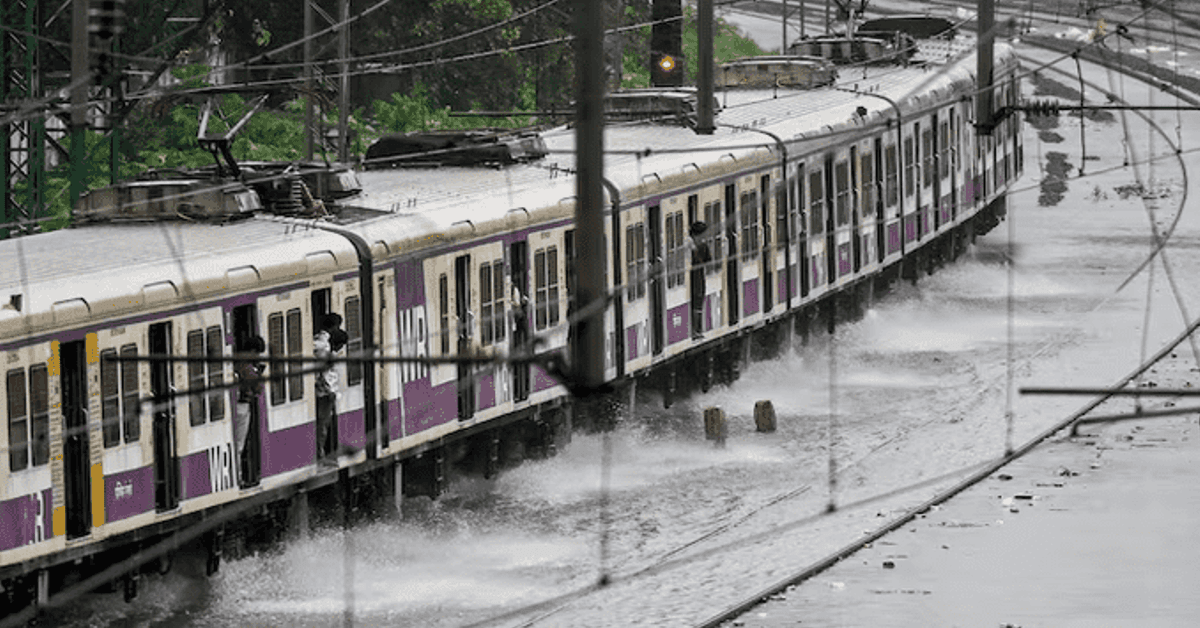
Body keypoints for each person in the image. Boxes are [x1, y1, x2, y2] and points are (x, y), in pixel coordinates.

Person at [234, 335, 265, 487]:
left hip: (232, 406)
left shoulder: (233, 360)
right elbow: (257, 387)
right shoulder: (247, 367)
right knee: (239, 445)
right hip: (242, 406)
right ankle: (238, 479)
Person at [314, 313, 344, 465]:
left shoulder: (316, 340)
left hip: (322, 391)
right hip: (323, 393)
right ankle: (320, 455)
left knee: (323, 424)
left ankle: (321, 453)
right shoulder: (323, 345)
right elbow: (323, 370)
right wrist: (329, 390)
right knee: (323, 424)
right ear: (334, 327)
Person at [687, 221, 712, 340]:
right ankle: (696, 330)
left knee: (697, 303)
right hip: (696, 277)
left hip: (697, 276)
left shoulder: (698, 245)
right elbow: (708, 260)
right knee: (697, 303)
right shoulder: (700, 245)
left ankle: (697, 330)